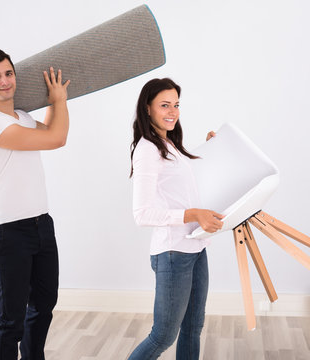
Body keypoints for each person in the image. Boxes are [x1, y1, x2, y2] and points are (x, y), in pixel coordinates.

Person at [0, 47, 70, 360]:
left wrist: (54, 104)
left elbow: (50, 131)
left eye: (8, 73)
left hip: (41, 225)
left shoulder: (22, 118)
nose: (4, 81)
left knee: (43, 306)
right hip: (7, 232)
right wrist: (60, 100)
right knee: (11, 318)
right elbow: (57, 139)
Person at [128, 78, 224, 359]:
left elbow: (183, 184)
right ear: (147, 109)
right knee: (162, 336)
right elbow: (142, 214)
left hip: (195, 247)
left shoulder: (169, 144)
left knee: (193, 327)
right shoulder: (147, 149)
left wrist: (209, 149)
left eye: (176, 105)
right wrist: (194, 215)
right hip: (172, 253)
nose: (172, 111)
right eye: (164, 105)